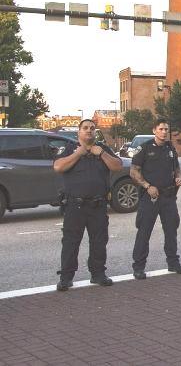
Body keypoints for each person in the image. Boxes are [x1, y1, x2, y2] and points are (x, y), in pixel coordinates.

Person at [53, 119, 123, 291]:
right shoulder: (70, 149)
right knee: (71, 242)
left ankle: (98, 274)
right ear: (79, 132)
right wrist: (79, 153)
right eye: (85, 128)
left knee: (99, 242)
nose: (89, 131)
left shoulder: (103, 149)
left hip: (97, 205)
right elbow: (58, 167)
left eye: (92, 128)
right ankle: (66, 277)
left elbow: (117, 166)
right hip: (75, 206)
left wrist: (102, 154)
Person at [129, 119, 181, 280]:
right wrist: (147, 186)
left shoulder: (170, 148)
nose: (164, 132)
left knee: (171, 231)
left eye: (166, 129)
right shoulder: (145, 148)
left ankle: (173, 263)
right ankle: (139, 267)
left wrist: (178, 178)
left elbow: (176, 168)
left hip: (168, 197)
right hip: (150, 198)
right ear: (154, 130)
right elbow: (134, 172)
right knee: (144, 232)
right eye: (161, 129)